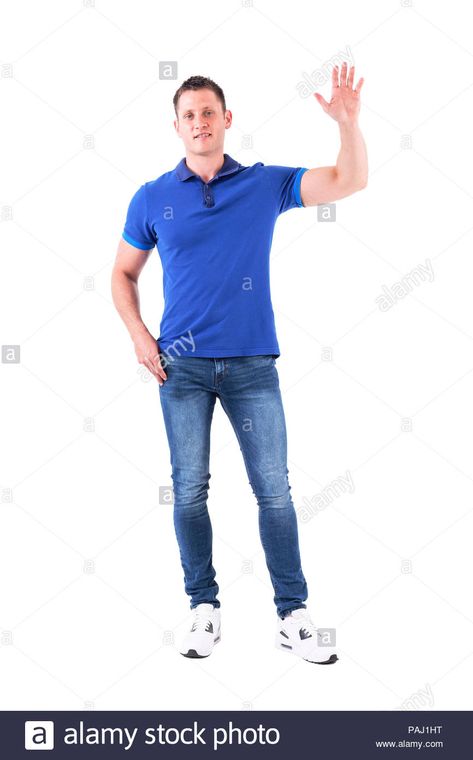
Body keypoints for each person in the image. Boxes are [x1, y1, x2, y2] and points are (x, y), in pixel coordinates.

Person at [111, 68, 367, 664]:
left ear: (227, 120)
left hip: (252, 364)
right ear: (176, 126)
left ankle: (292, 613)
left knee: (274, 491)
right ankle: (204, 608)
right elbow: (122, 274)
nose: (199, 122)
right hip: (181, 369)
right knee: (189, 491)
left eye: (209, 112)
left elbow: (349, 180)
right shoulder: (152, 196)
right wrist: (139, 335)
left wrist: (348, 125)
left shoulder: (261, 185)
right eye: (189, 115)